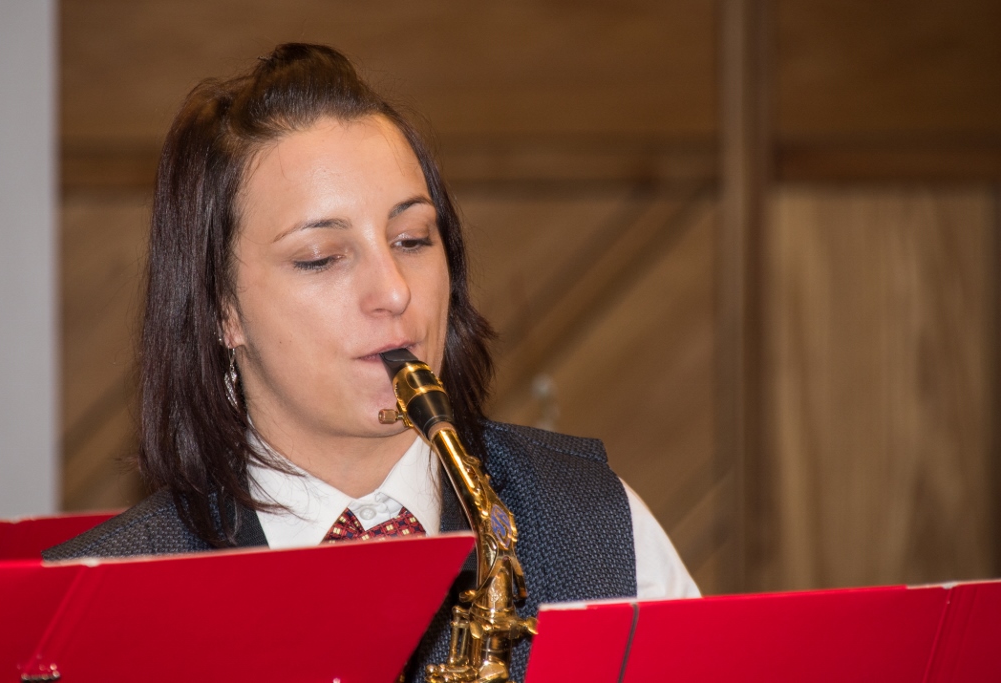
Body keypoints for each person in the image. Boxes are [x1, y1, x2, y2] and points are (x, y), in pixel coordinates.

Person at [44, 43, 698, 679]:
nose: (394, 291)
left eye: (411, 239)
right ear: (222, 309)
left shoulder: (599, 528)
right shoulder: (86, 614)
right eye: (322, 257)